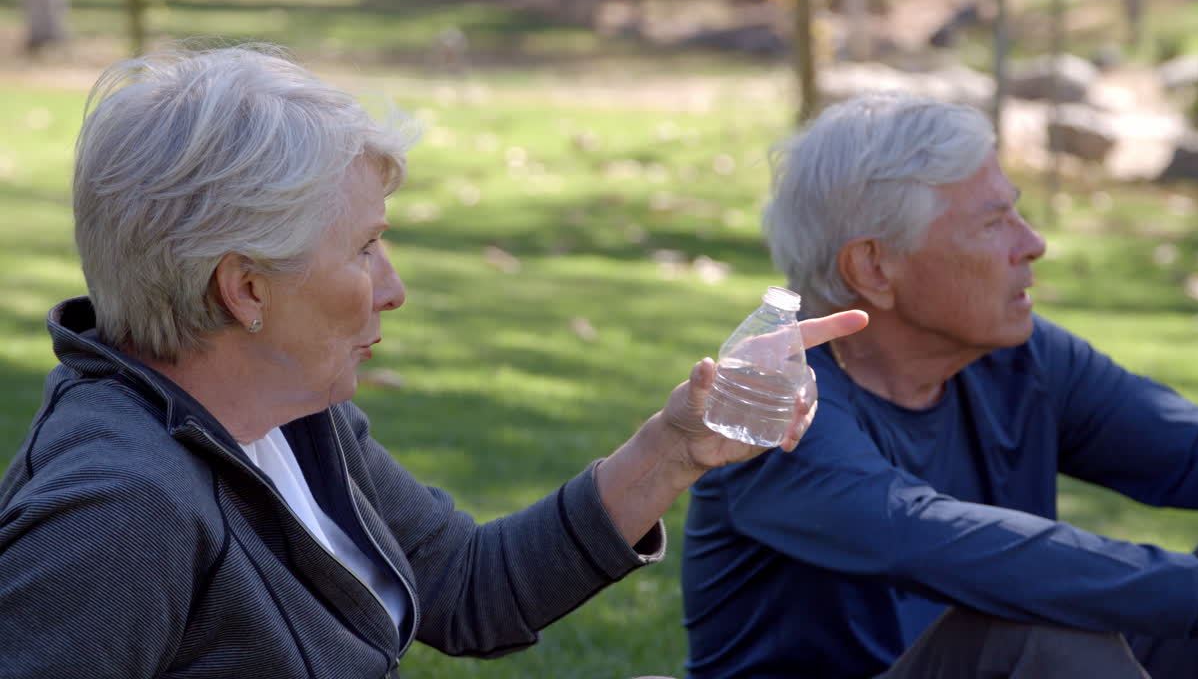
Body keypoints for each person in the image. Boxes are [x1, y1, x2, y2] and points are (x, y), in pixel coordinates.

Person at [0, 44, 868, 679]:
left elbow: (464, 584)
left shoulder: (288, 416)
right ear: (246, 289)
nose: (396, 287)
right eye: (367, 248)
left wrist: (676, 445)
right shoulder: (117, 510)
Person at [680, 92, 1198, 679]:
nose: (1033, 244)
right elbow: (921, 536)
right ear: (873, 266)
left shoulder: (1020, 360)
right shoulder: (775, 402)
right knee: (1033, 625)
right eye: (995, 223)